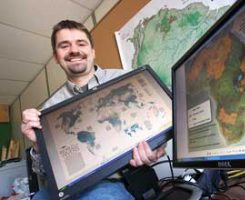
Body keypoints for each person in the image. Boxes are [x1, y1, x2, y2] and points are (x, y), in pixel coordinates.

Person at [21, 20, 166, 200]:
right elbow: (45, 173)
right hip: (68, 190)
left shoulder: (127, 78)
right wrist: (38, 145)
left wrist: (156, 148)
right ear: (56, 57)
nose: (74, 50)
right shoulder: (48, 111)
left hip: (116, 182)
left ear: (92, 51)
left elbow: (155, 127)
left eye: (81, 43)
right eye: (64, 46)